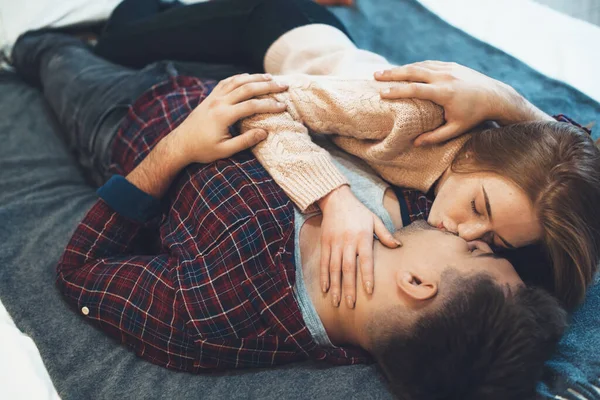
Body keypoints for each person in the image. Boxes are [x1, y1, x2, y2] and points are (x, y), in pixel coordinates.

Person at [11, 28, 567, 400]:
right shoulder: (417, 215)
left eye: (478, 251)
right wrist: (508, 103)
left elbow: (81, 271)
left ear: (419, 284)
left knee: (51, 54)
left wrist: (175, 151)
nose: (470, 235)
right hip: (252, 67)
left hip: (133, 110)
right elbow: (566, 176)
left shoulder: (215, 313)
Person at [91, 0, 600, 311]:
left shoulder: (516, 188)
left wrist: (510, 101)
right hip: (272, 26)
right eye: (479, 210)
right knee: (116, 38)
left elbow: (576, 166)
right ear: (473, 159)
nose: (466, 235)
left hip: (328, 76)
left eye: (493, 239)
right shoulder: (415, 117)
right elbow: (264, 98)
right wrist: (333, 198)